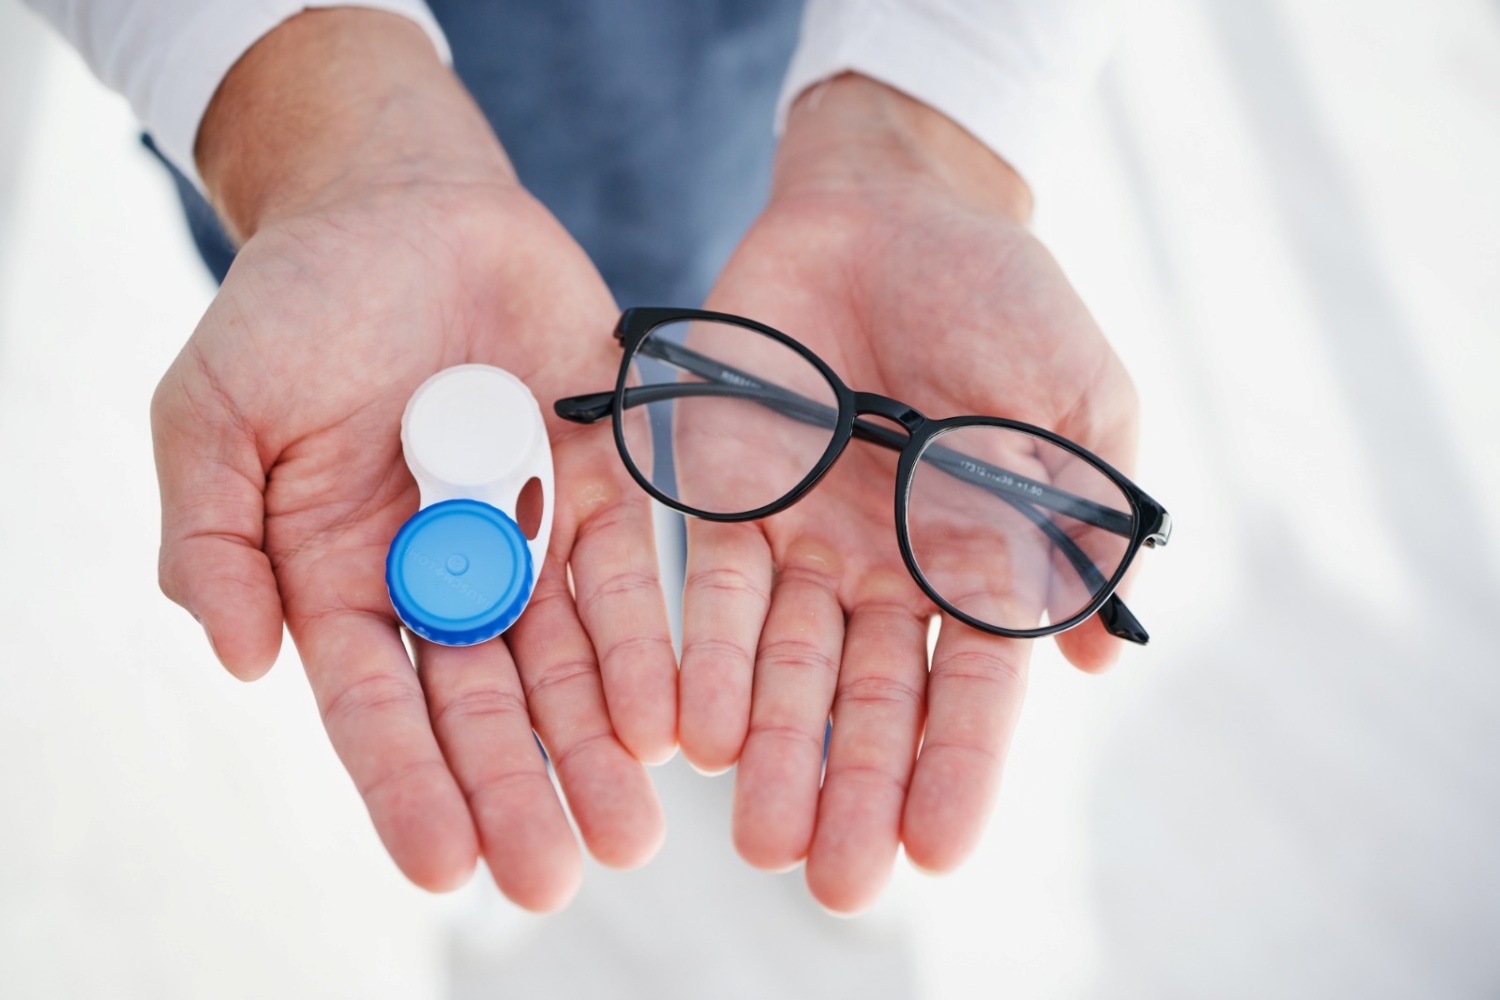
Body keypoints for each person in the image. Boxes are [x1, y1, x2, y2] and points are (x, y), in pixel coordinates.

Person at [22, 0, 1136, 916]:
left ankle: (745, 670)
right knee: (680, 461)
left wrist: (930, 112)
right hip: (340, 173)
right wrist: (304, 106)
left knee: (747, 429)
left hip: (726, 102)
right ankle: (623, 701)